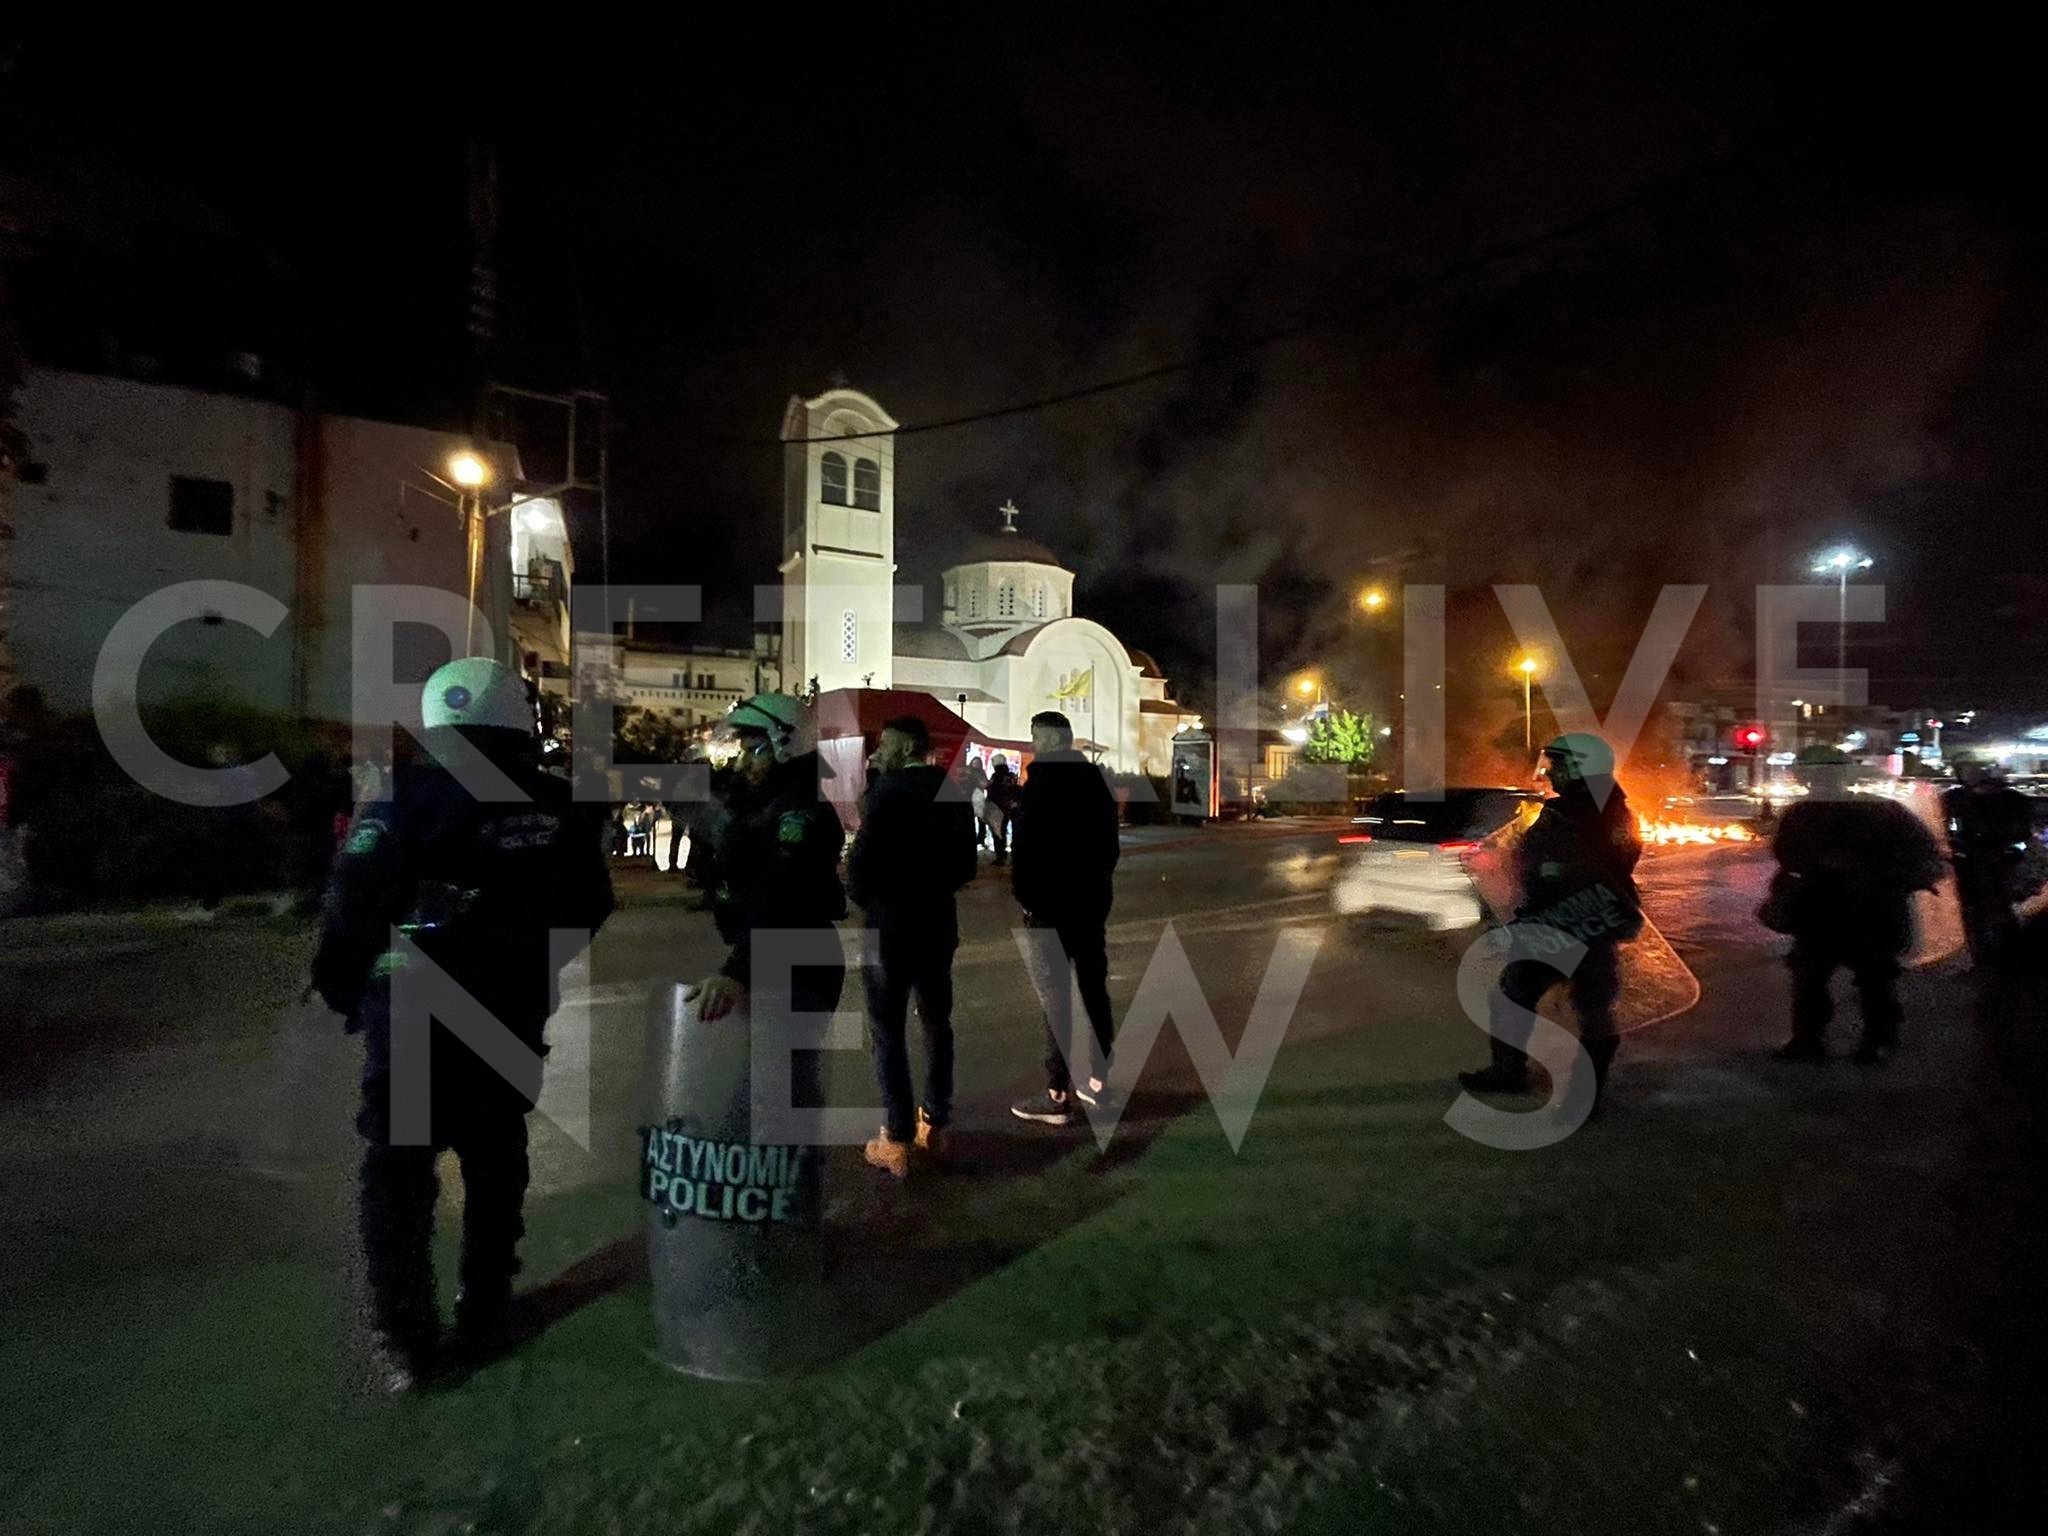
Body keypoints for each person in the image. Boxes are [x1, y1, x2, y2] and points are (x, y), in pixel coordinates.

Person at [311, 657, 613, 1391]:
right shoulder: (558, 804)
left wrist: (350, 988)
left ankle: (408, 1339)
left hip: (414, 1016)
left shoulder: (404, 800)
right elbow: (589, 904)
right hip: (507, 1010)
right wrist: (523, 959)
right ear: (519, 722)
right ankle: (485, 1308)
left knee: (401, 1174)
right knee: (495, 1157)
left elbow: (353, 905)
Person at [1459, 732, 1643, 1111]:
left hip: (1565, 922)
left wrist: (1540, 879)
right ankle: (1557, 1086)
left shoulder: (1581, 814)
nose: (1550, 773)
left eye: (1557, 765)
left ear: (1579, 766)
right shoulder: (1605, 808)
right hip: (1579, 922)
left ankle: (1529, 1079)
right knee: (1559, 1000)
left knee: (1566, 1002)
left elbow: (1566, 866)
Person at [847, 716, 978, 1176]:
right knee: (937, 1023)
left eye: (883, 744)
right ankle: (936, 1124)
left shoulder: (888, 792)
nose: (877, 751)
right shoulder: (952, 791)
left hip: (890, 926)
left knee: (888, 1030)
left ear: (903, 749)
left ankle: (896, 1136)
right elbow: (967, 864)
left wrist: (874, 899)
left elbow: (859, 868)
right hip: (937, 924)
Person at [1767, 745, 1945, 1065]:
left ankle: (1871, 1040)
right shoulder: (1803, 814)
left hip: (1867, 908)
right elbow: (1785, 854)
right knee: (1817, 978)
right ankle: (1815, 1040)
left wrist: (1871, 871)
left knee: (1869, 979)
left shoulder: (1876, 811)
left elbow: (1922, 854)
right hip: (1827, 909)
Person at [689, 693, 847, 1032]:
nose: (743, 763)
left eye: (753, 751)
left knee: (777, 1079)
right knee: (773, 1079)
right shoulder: (763, 806)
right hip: (771, 962)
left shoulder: (801, 817)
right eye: (742, 751)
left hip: (797, 968)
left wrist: (737, 973)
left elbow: (783, 903)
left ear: (784, 747)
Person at [1009, 712, 1122, 1125]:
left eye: (1036, 737)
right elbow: (1110, 848)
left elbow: (1025, 854)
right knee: (1094, 991)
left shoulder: (1039, 788)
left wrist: (1028, 901)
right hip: (1090, 906)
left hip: (1048, 912)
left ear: (1043, 739)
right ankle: (1098, 1083)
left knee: (1055, 1001)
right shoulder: (1097, 785)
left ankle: (1057, 1093)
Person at [1942, 756, 2034, 967]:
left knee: (1993, 906)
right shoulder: (1958, 798)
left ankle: (2006, 954)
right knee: (1983, 908)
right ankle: (1996, 955)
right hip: (1976, 859)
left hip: (1993, 858)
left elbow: (2021, 831)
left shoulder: (2008, 800)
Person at [985, 755, 1020, 864]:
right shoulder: (1008, 776)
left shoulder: (999, 776)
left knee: (998, 832)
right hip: (1005, 807)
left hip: (999, 807)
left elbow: (994, 791)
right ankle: (1001, 854)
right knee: (1002, 831)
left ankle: (1000, 855)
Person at [962, 754, 991, 851]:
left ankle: (980, 839)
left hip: (978, 798)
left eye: (977, 763)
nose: (975, 765)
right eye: (974, 763)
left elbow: (985, 784)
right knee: (969, 819)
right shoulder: (967, 772)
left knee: (981, 820)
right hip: (969, 797)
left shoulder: (981, 773)